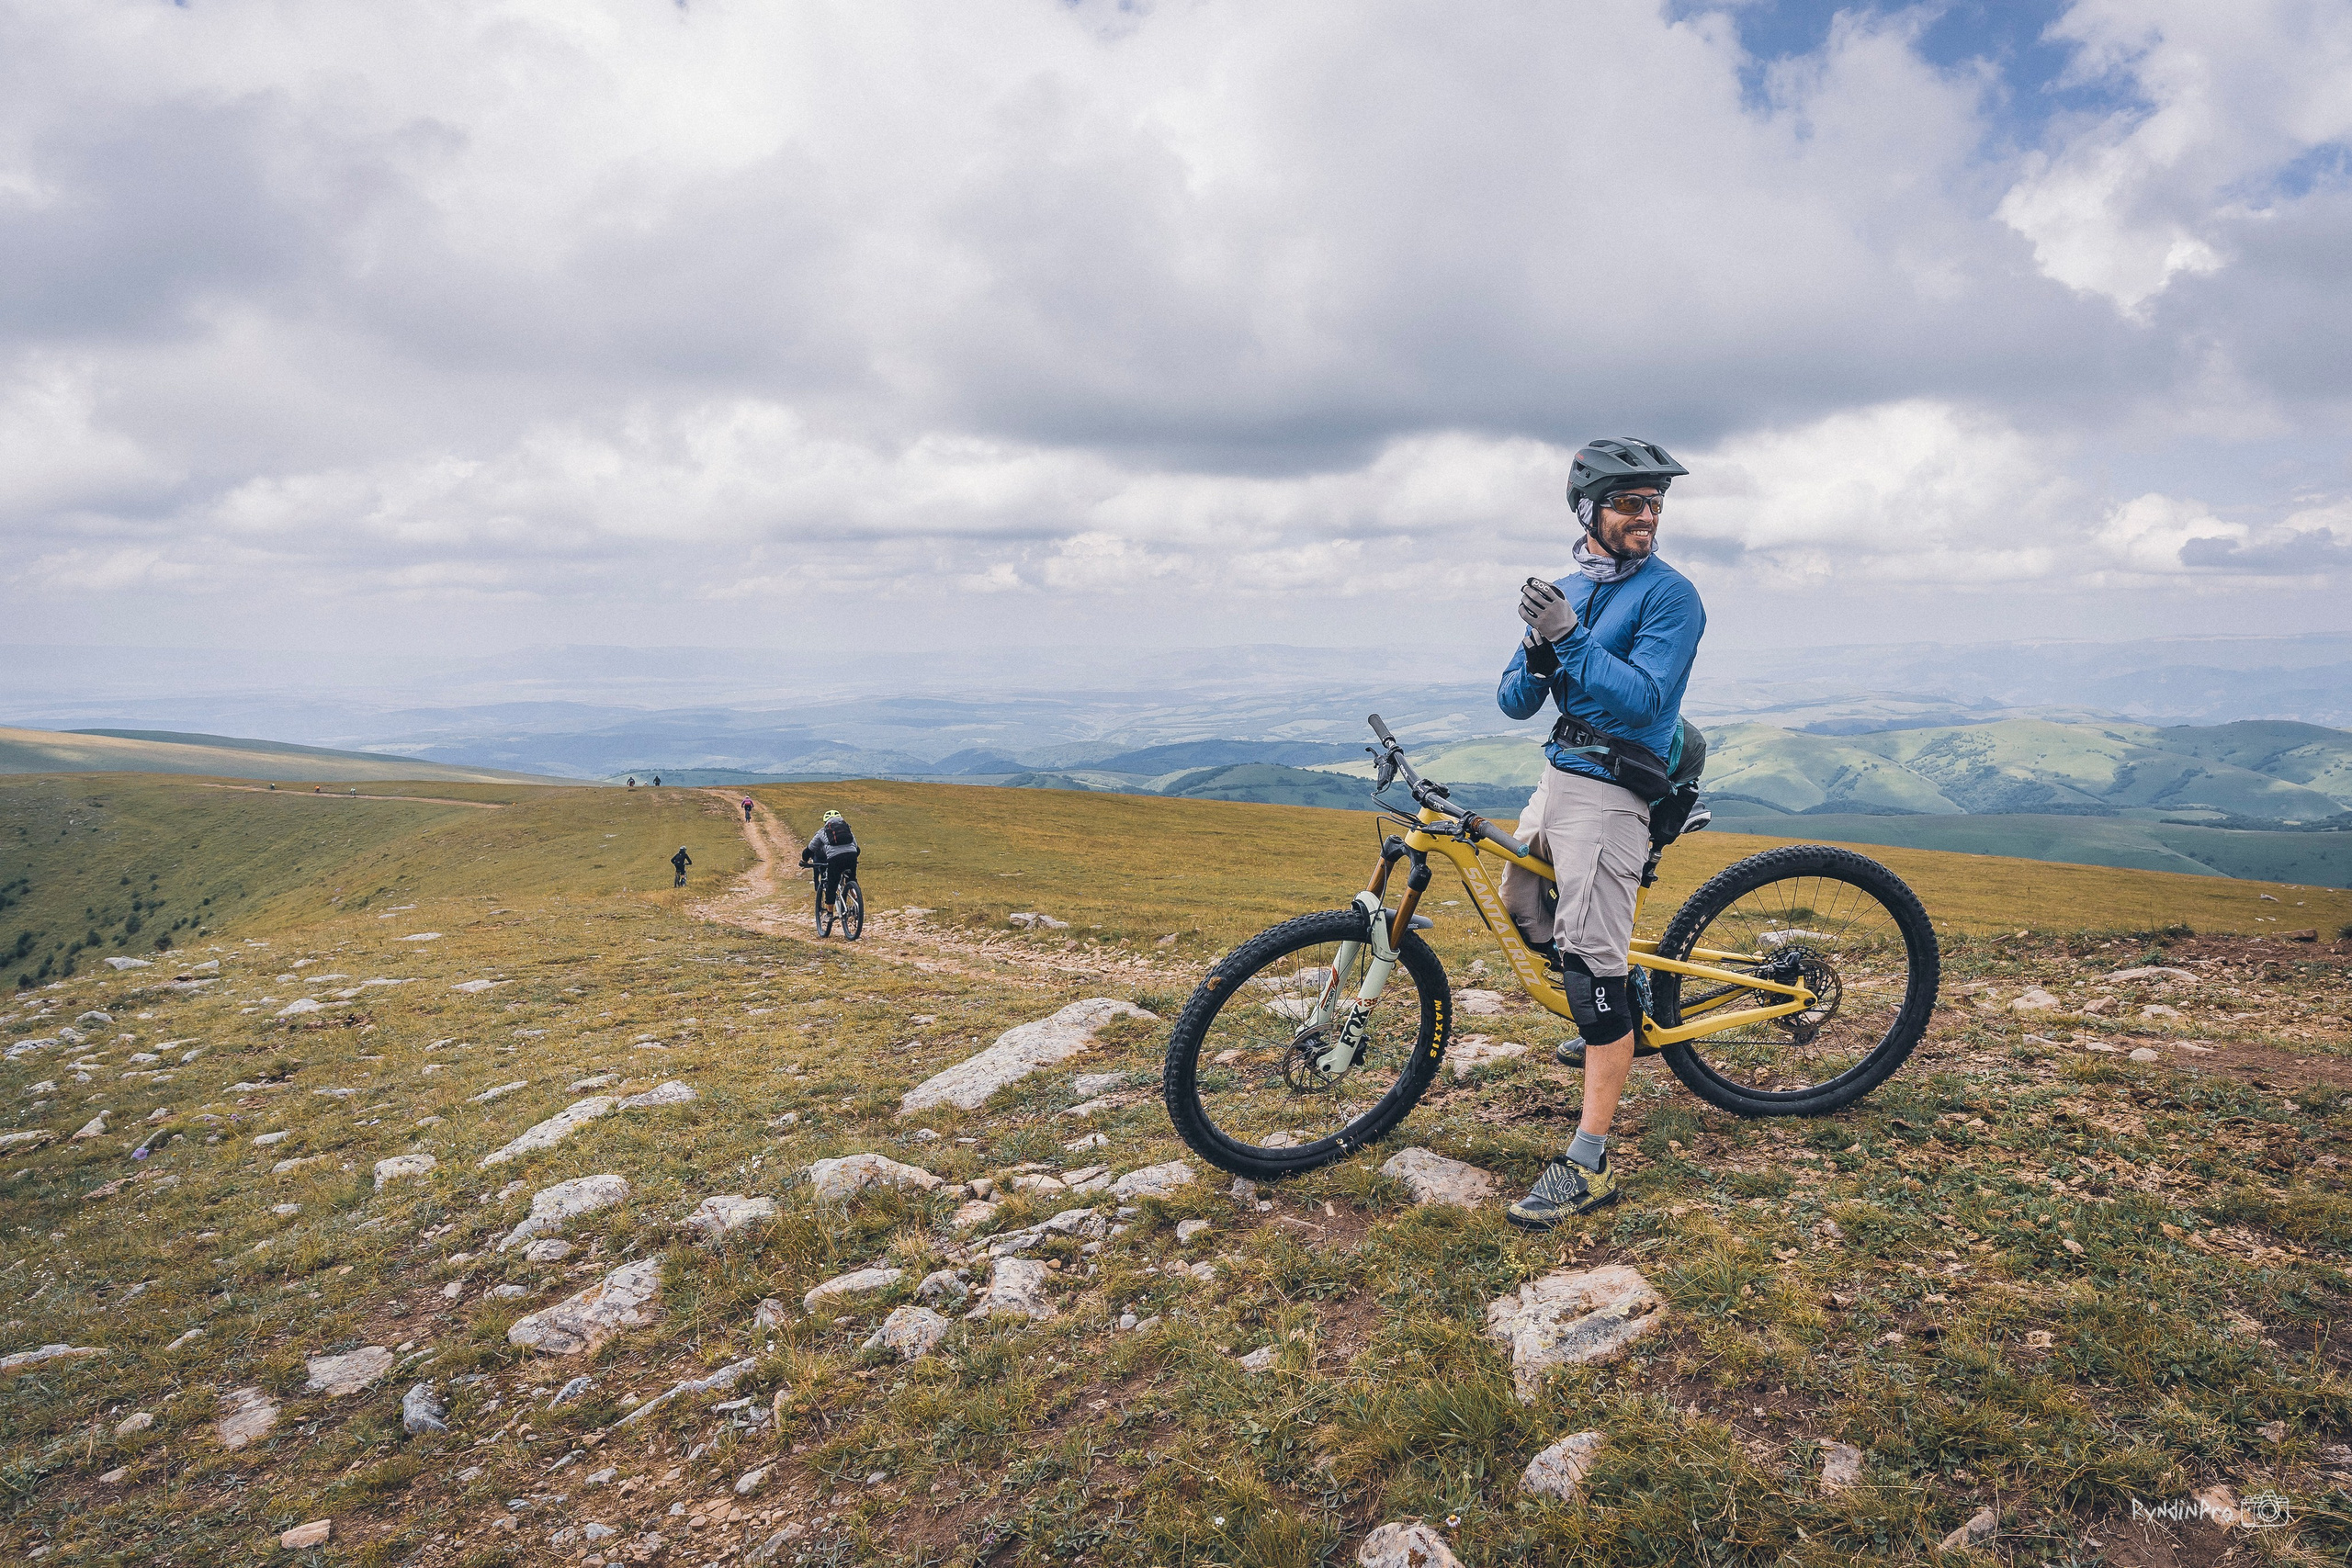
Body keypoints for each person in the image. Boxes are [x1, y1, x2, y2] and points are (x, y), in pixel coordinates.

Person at [1493, 437, 1706, 1228]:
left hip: (1617, 789)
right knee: (1523, 903)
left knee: (1590, 967)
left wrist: (1571, 637)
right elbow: (1515, 704)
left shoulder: (1670, 596)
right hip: (1559, 781)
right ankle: (1625, 1012)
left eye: (1655, 503)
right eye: (1630, 503)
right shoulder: (1576, 587)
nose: (1646, 516)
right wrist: (1537, 648)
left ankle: (1590, 1159)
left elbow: (1649, 702)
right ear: (1588, 511)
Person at [797, 809, 859, 920]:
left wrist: (804, 861)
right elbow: (856, 847)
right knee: (852, 880)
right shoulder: (847, 829)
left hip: (835, 858)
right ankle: (857, 902)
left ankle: (829, 914)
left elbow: (810, 849)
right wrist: (853, 858)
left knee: (832, 885)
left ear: (826, 821)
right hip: (851, 855)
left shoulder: (822, 831)